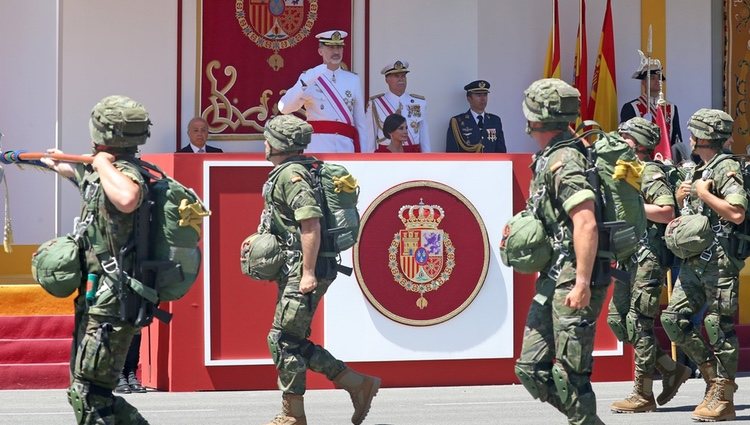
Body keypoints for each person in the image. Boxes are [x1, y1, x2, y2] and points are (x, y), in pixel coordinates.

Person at [258, 115, 380, 425]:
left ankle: (293, 414)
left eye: (267, 138)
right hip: (299, 267)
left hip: (304, 268)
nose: (265, 143)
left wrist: (308, 273)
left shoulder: (291, 176)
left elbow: (309, 223)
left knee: (283, 340)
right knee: (289, 339)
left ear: (276, 144)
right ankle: (356, 384)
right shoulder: (303, 168)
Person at [40, 95, 152, 424]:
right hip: (98, 295)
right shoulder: (105, 173)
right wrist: (60, 163)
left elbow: (128, 198)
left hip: (114, 298)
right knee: (89, 391)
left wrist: (101, 162)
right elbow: (86, 181)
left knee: (89, 394)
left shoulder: (125, 173)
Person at [514, 78, 607, 425]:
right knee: (530, 368)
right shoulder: (549, 157)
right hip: (554, 275)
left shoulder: (565, 160)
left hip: (573, 277)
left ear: (537, 120)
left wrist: (582, 282)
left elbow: (586, 222)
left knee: (571, 375)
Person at [661, 108, 746, 422]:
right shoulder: (699, 169)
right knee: (673, 319)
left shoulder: (726, 168)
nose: (691, 137)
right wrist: (685, 194)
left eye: (695, 131)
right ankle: (712, 376)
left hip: (720, 261)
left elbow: (736, 213)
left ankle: (724, 397)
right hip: (695, 260)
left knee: (718, 326)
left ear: (706, 136)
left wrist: (702, 194)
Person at [608, 117, 691, 414]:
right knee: (617, 320)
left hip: (649, 257)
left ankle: (643, 394)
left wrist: (631, 205)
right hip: (629, 254)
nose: (618, 140)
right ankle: (670, 368)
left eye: (624, 136)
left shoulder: (650, 170)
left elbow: (667, 211)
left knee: (638, 321)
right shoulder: (625, 171)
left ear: (637, 143)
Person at [277, 30, 371, 153]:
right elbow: (284, 108)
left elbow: (361, 124)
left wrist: (364, 157)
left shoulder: (353, 79)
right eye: (331, 47)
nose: (336, 52)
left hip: (345, 147)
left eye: (339, 47)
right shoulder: (310, 77)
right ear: (320, 51)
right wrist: (305, 81)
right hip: (318, 148)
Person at [620, 57, 688, 163]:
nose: (657, 81)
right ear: (643, 82)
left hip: (666, 161)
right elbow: (625, 138)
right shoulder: (631, 107)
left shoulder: (672, 108)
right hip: (640, 161)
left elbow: (676, 139)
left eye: (659, 78)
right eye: (652, 78)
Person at [366, 60, 430, 152]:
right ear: (387, 79)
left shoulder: (419, 103)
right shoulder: (376, 103)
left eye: (403, 76)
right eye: (396, 76)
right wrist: (369, 162)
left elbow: (425, 137)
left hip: (413, 155)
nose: (401, 79)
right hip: (387, 155)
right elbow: (370, 138)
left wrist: (426, 160)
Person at [445, 80, 506, 153]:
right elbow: (452, 153)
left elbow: (501, 152)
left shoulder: (495, 121)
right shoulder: (457, 122)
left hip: (490, 164)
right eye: (479, 95)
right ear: (469, 98)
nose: (483, 99)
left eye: (485, 95)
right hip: (467, 164)